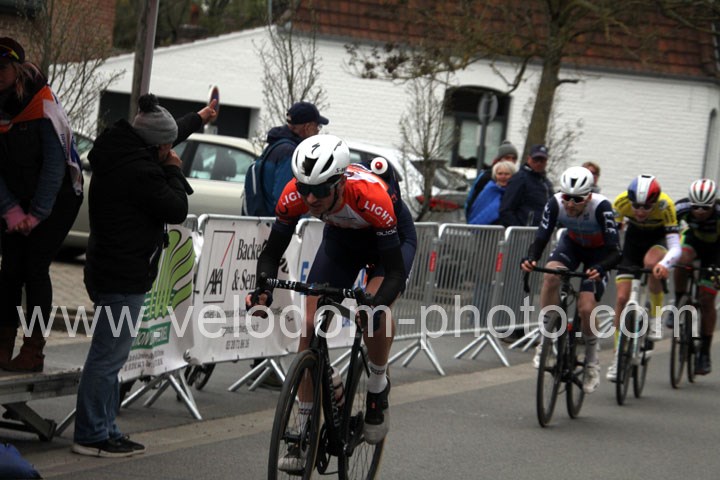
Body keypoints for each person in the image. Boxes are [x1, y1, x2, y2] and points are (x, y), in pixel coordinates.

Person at [247, 134, 416, 472]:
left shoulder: (370, 195)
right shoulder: (295, 194)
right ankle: (303, 431)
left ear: (339, 183)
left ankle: (377, 388)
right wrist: (262, 288)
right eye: (305, 188)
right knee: (309, 327)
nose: (311, 198)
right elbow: (271, 253)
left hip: (389, 245)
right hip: (342, 243)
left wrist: (374, 304)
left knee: (373, 312)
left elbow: (395, 273)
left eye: (321, 190)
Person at [72, 94, 217, 458]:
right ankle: (91, 434)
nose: (170, 149)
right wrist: (174, 169)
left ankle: (105, 427)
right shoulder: (140, 171)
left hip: (113, 268)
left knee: (113, 357)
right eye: (166, 148)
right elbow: (177, 208)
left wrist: (200, 117)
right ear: (155, 147)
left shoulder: (124, 146)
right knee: (107, 357)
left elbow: (169, 132)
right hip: (122, 274)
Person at [0, 37, 83, 372]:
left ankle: (33, 350)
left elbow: (54, 166)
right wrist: (11, 211)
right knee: (9, 269)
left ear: (17, 69)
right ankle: (2, 344)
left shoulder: (42, 104)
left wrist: (35, 216)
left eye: (2, 68)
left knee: (34, 267)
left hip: (57, 197)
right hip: (16, 196)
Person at [247, 101, 329, 387]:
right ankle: (266, 363)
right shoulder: (291, 152)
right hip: (281, 231)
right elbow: (287, 196)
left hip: (266, 229)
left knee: (275, 298)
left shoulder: (274, 146)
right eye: (316, 126)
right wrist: (298, 223)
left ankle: (264, 361)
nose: (318, 131)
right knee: (281, 300)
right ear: (306, 127)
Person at [521, 166, 621, 394]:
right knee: (550, 275)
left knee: (586, 307)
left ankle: (592, 361)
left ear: (589, 196)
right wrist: (531, 258)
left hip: (599, 254)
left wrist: (601, 267)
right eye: (567, 197)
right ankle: (546, 339)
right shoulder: (555, 203)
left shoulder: (602, 207)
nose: (571, 204)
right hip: (572, 246)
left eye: (577, 199)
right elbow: (541, 237)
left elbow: (615, 251)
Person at [606, 174, 681, 381]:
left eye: (647, 207)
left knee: (651, 264)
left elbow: (675, 247)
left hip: (657, 242)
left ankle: (655, 317)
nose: (640, 211)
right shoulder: (621, 202)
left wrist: (664, 264)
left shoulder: (666, 205)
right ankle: (617, 357)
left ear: (655, 202)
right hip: (633, 244)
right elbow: (610, 236)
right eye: (636, 206)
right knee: (622, 298)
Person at [672, 179, 720, 375]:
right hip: (694, 241)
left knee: (707, 299)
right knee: (681, 260)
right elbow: (668, 233)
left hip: (716, 251)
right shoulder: (681, 208)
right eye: (696, 207)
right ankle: (679, 301)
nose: (700, 211)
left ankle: (704, 353)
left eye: (705, 208)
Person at [499, 144, 553, 227]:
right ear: (528, 159)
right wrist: (518, 229)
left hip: (542, 230)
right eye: (535, 160)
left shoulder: (546, 183)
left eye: (542, 161)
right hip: (525, 231)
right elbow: (506, 209)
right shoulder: (519, 179)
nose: (539, 163)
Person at [464, 139, 518, 220]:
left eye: (513, 158)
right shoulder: (487, 177)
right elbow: (475, 201)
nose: (511, 161)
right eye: (507, 157)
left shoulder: (516, 177)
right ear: (499, 159)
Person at [467, 160, 517, 225]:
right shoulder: (490, 189)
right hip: (486, 228)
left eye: (507, 174)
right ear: (495, 175)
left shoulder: (515, 191)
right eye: (500, 174)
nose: (503, 177)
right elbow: (478, 211)